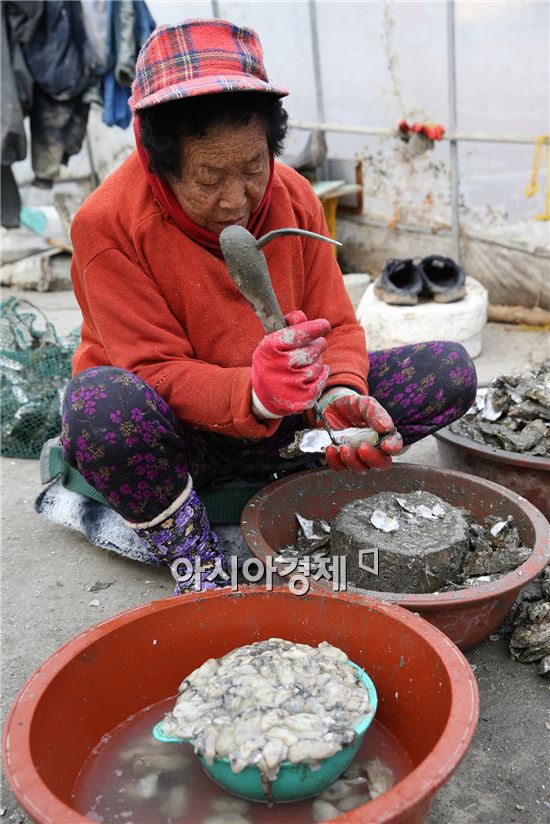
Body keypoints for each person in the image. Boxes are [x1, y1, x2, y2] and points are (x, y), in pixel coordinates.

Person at [61, 19, 477, 594]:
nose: (235, 200)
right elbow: (150, 370)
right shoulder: (107, 225)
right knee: (97, 406)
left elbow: (338, 325)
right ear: (158, 159)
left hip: (292, 424)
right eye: (209, 176)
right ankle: (196, 555)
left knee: (448, 371)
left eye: (253, 167)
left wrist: (339, 396)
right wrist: (253, 393)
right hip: (185, 437)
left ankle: (304, 467)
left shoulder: (294, 195)